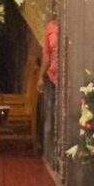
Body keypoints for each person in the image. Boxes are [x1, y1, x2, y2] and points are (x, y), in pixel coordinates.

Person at [38, 13, 59, 163]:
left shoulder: (72, 26)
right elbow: (46, 54)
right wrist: (41, 76)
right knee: (50, 117)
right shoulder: (50, 27)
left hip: (69, 80)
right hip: (53, 77)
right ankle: (49, 157)